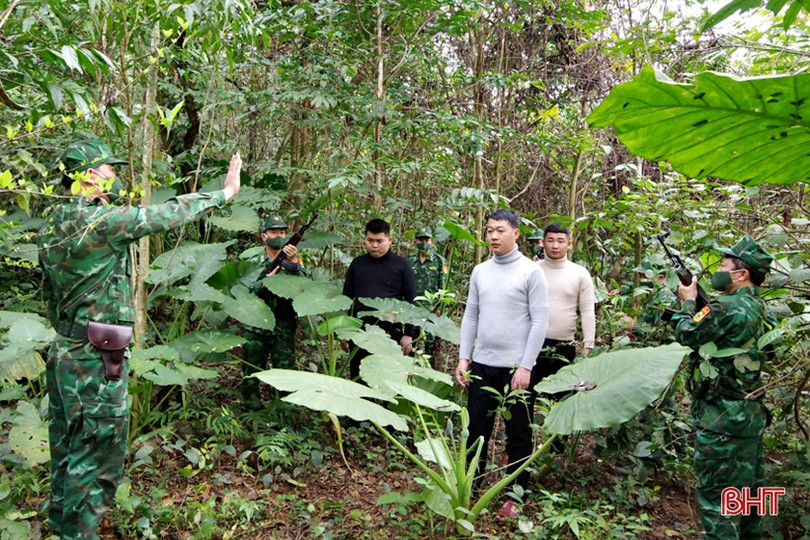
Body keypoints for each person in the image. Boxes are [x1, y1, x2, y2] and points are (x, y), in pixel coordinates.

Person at [37, 138, 241, 540]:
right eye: (109, 169)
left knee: (66, 451)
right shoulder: (101, 223)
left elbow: (49, 294)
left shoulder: (51, 224)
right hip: (95, 359)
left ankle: (63, 530)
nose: (115, 175)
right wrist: (225, 192)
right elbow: (164, 214)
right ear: (90, 176)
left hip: (65, 352)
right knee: (95, 457)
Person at [672, 236, 775, 540]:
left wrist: (687, 301)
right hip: (751, 418)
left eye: (723, 265)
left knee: (718, 502)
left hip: (720, 420)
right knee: (750, 498)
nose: (718, 270)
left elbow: (686, 332)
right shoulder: (763, 308)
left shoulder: (724, 306)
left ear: (741, 274)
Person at [455, 209, 549, 512]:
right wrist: (464, 358)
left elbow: (539, 321)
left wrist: (526, 365)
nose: (493, 236)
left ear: (516, 234)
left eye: (500, 230)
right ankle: (471, 485)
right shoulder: (480, 271)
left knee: (518, 432)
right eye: (489, 230)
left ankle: (515, 495)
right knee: (475, 431)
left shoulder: (531, 272)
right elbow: (471, 315)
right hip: (482, 364)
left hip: (515, 368)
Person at [241, 215, 306, 408]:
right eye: (274, 232)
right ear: (264, 236)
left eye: (283, 232)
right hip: (257, 323)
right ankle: (251, 409)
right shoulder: (253, 261)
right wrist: (263, 284)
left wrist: (293, 264)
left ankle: (282, 410)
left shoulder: (296, 260)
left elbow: (306, 286)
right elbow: (242, 292)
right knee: (252, 370)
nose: (279, 236)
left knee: (284, 371)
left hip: (284, 324)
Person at [342, 218, 418, 380]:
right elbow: (346, 298)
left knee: (388, 379)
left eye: (379, 241)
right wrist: (343, 331)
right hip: (360, 331)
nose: (374, 245)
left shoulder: (401, 265)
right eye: (370, 240)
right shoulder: (357, 264)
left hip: (390, 332)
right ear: (365, 239)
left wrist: (409, 334)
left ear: (389, 240)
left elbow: (411, 301)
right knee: (359, 377)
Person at [534, 223, 596, 410]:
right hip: (532, 344)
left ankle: (557, 432)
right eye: (550, 240)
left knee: (562, 402)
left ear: (569, 244)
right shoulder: (532, 270)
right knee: (525, 397)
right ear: (542, 242)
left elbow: (587, 310)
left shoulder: (580, 273)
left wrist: (588, 345)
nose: (555, 246)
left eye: (560, 241)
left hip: (564, 346)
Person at [407, 226, 448, 361]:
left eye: (427, 240)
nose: (424, 243)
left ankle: (430, 367)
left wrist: (439, 307)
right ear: (416, 241)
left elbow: (443, 286)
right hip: (414, 307)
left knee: (430, 340)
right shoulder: (410, 260)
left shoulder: (439, 261)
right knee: (412, 338)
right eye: (420, 240)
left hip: (431, 308)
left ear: (431, 241)